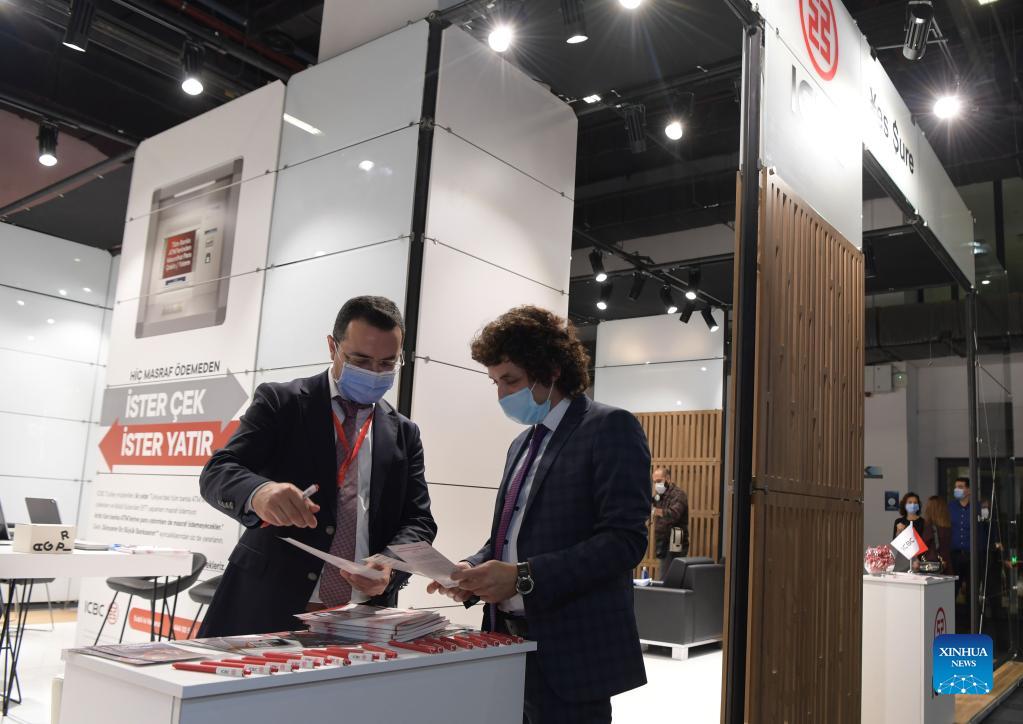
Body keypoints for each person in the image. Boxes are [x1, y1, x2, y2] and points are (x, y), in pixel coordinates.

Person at [428, 306, 650, 724]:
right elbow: (509, 536)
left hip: (573, 651)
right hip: (506, 643)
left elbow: (624, 540)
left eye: (510, 380)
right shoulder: (521, 444)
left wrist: (522, 577)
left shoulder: (609, 427)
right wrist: (471, 569)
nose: (501, 395)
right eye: (495, 382)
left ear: (550, 370)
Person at [197, 296, 437, 636]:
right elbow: (218, 471)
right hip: (269, 605)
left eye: (387, 363)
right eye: (360, 360)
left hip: (362, 619)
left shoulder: (404, 433)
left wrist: (390, 565)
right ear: (332, 347)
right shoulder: (282, 402)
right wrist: (260, 492)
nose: (373, 373)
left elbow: (419, 520)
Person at [652, 466, 689, 577]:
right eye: (654, 482)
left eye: (659, 481)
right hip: (662, 542)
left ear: (668, 479)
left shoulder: (679, 495)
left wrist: (655, 511)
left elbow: (674, 514)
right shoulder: (660, 495)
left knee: (668, 578)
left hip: (674, 542)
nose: (656, 484)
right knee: (665, 575)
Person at [948, 477, 973, 605]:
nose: (957, 489)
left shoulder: (977, 507)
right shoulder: (950, 507)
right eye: (956, 487)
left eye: (960, 487)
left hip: (972, 555)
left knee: (971, 590)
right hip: (954, 555)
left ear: (968, 490)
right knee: (953, 588)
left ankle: (971, 616)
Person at [922, 495, 952, 574]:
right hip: (946, 564)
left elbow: (924, 545)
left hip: (932, 565)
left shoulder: (929, 527)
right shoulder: (948, 526)